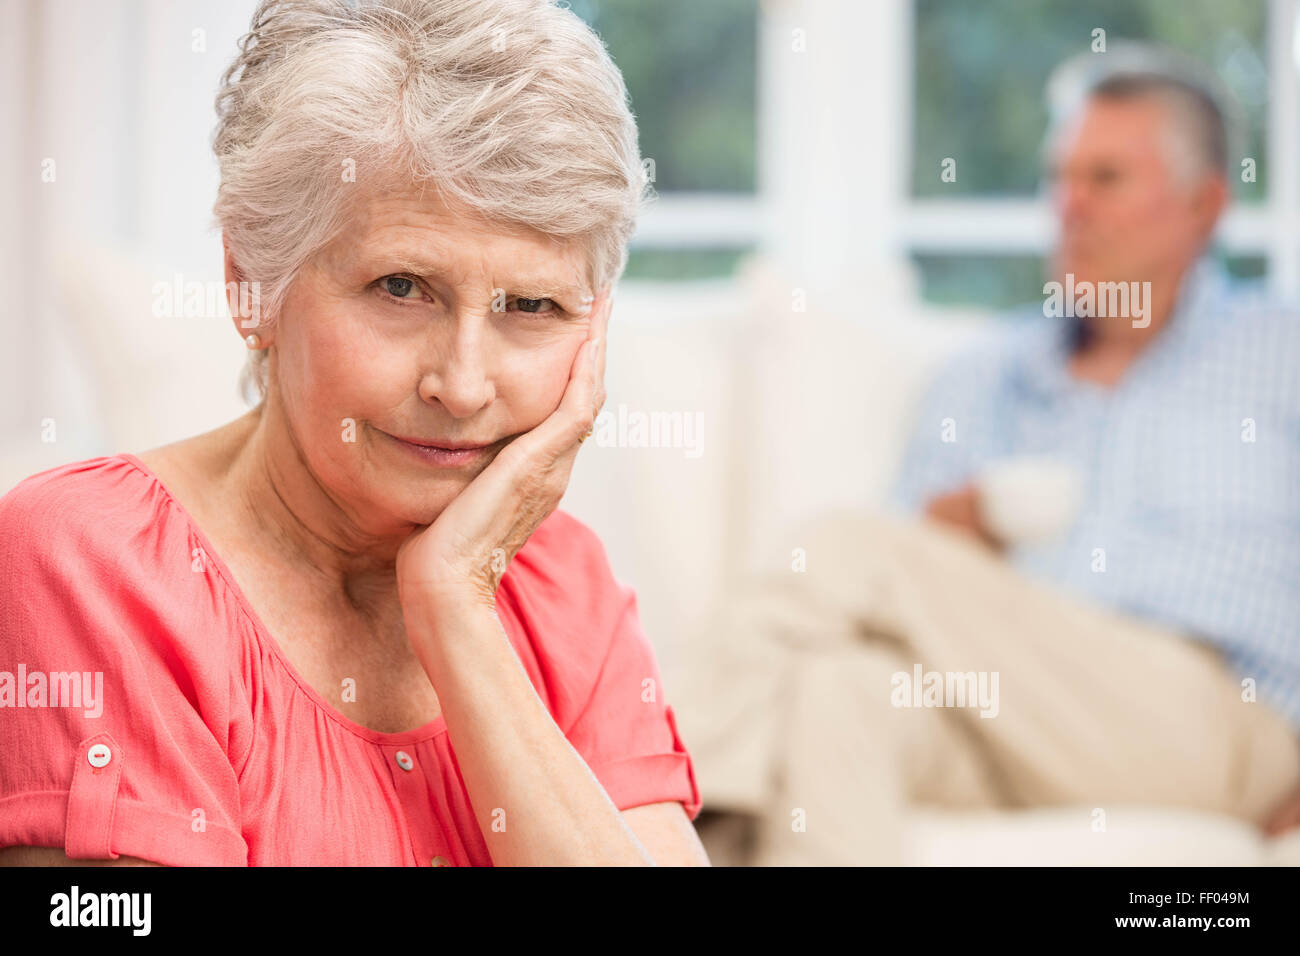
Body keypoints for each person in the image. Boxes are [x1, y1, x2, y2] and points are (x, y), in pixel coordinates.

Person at [0, 0, 707, 867]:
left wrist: (455, 607)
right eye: (401, 288)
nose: (462, 386)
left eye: (532, 305)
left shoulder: (563, 584)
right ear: (253, 283)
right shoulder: (89, 562)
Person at [680, 45, 1300, 865]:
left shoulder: (1279, 353)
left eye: (1106, 179)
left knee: (851, 549)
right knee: (838, 694)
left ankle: (643, 818)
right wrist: (949, 542)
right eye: (1059, 179)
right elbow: (896, 593)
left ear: (1204, 204)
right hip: (1013, 715)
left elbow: (880, 566)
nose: (1069, 206)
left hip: (1211, 719)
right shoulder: (985, 375)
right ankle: (681, 831)